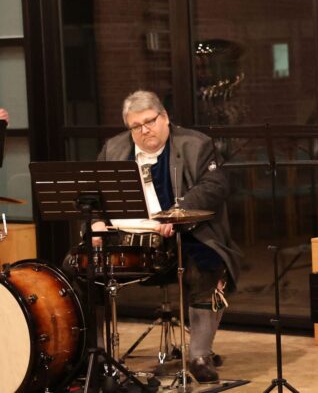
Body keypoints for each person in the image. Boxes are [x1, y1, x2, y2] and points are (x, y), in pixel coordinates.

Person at [92, 90, 243, 382]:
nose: (144, 130)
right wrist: (96, 222)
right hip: (126, 238)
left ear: (165, 117)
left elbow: (215, 185)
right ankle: (96, 355)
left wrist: (176, 213)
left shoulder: (196, 144)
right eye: (136, 126)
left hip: (181, 236)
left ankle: (199, 356)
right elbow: (94, 193)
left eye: (150, 121)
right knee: (79, 265)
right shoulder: (113, 149)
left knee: (206, 261)